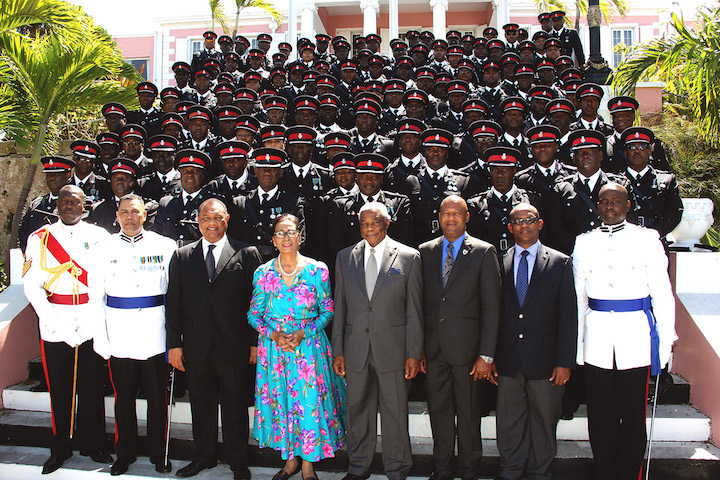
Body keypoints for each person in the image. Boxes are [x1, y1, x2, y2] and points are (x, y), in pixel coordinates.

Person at [573, 183, 677, 480]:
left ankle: (629, 473)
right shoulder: (584, 242)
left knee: (633, 415)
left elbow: (662, 294)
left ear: (628, 205)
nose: (609, 207)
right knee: (600, 414)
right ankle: (604, 471)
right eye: (603, 201)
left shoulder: (647, 239)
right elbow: (579, 298)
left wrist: (665, 343)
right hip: (597, 338)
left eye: (615, 201)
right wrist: (578, 344)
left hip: (635, 337)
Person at [166, 198, 263, 480]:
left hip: (233, 346)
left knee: (234, 405)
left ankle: (237, 459)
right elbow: (174, 303)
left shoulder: (246, 253)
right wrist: (174, 344)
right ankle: (204, 456)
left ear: (227, 219)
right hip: (196, 347)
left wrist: (254, 342)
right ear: (198, 220)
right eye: (207, 218)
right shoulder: (182, 256)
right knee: (201, 404)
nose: (212, 223)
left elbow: (256, 302)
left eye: (218, 218)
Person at [247, 213, 346, 480]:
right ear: (273, 239)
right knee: (283, 403)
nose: (286, 238)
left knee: (308, 404)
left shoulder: (317, 270)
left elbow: (328, 311)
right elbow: (253, 314)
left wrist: (305, 331)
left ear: (300, 236)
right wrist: (274, 335)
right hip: (275, 351)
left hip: (309, 349)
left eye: (291, 232)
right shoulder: (263, 272)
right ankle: (289, 461)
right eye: (280, 233)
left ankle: (307, 465)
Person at [23, 185, 113, 474]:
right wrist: (55, 322)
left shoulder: (99, 237)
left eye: (75, 202)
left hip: (89, 319)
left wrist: (90, 322)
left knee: (92, 386)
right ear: (57, 205)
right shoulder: (39, 238)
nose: (69, 206)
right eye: (64, 201)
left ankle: (93, 444)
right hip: (55, 320)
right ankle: (59, 448)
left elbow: (103, 282)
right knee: (58, 389)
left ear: (84, 205)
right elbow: (32, 287)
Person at [332, 202, 423, 480]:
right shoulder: (345, 257)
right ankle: (359, 466)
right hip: (356, 348)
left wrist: (414, 353)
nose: (369, 228)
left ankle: (397, 468)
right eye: (364, 223)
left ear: (387, 223)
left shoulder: (409, 257)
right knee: (357, 410)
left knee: (395, 413)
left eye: (375, 222)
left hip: (393, 350)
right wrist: (338, 350)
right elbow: (340, 307)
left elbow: (415, 310)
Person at [91, 194, 177, 475]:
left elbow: (174, 295)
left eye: (135, 212)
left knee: (157, 399)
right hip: (120, 333)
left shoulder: (164, 246)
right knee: (123, 398)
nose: (129, 217)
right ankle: (123, 453)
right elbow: (95, 297)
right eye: (124, 212)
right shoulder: (103, 248)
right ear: (117, 215)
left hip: (155, 333)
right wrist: (100, 338)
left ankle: (158, 452)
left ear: (144, 215)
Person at [418, 195, 501, 480]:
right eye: (445, 213)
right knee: (439, 416)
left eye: (457, 213)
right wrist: (420, 350)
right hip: (434, 351)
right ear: (438, 217)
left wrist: (486, 355)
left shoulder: (483, 251)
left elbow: (492, 308)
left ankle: (468, 471)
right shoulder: (425, 251)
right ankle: (441, 469)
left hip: (469, 353)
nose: (450, 219)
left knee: (468, 416)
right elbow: (421, 305)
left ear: (467, 217)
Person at [493, 203, 577, 480]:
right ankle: (510, 471)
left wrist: (564, 361)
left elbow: (568, 317)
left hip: (546, 363)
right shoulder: (499, 260)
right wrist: (490, 356)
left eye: (530, 220)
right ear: (510, 227)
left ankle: (540, 473)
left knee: (543, 423)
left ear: (540, 224)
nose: (524, 225)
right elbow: (493, 313)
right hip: (508, 361)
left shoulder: (560, 262)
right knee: (508, 423)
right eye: (518, 222)